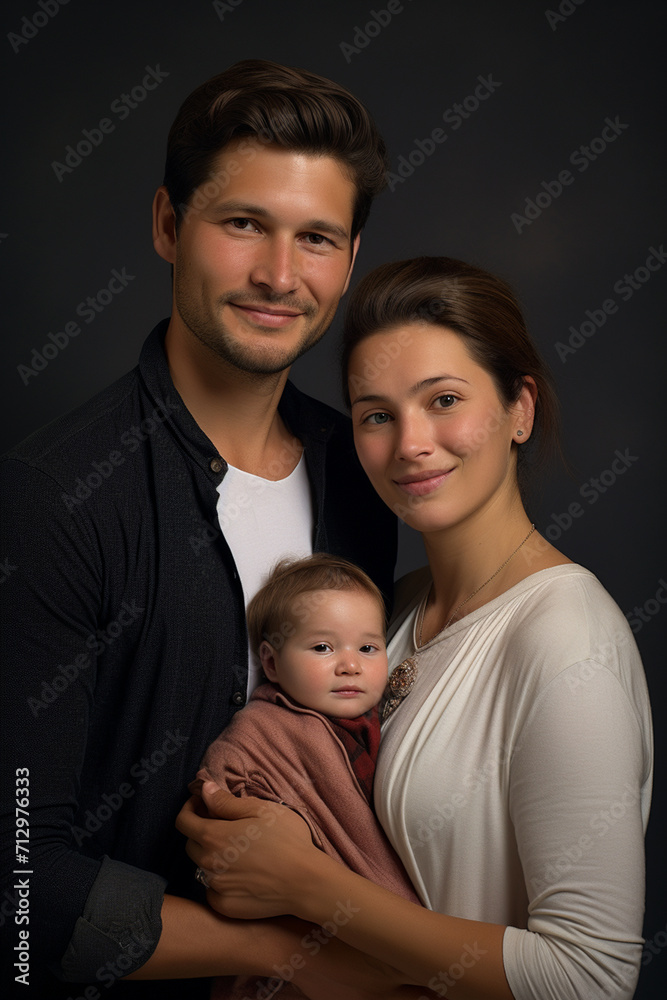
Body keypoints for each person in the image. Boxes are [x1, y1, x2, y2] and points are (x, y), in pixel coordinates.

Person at [0, 61, 397, 998]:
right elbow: (18, 882)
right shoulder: (53, 497)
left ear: (348, 261)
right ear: (168, 226)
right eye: (243, 223)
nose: (278, 276)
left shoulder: (365, 473)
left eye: (315, 238)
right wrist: (288, 954)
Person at [178, 257, 654, 1000]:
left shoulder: (565, 638)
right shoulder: (393, 610)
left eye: (444, 400)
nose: (409, 444)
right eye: (376, 415)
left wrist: (305, 883)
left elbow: (589, 978)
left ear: (520, 409)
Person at [195, 552, 420, 999]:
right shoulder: (267, 729)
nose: (350, 665)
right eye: (322, 648)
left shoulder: (389, 720)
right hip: (304, 938)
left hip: (376, 919)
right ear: (272, 663)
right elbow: (224, 779)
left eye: (368, 648)